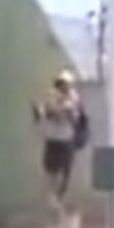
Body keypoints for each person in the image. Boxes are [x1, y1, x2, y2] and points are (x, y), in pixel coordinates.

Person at [33, 70, 83, 199]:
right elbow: (44, 112)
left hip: (65, 139)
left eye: (66, 84)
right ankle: (52, 196)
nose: (63, 87)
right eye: (61, 84)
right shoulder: (52, 95)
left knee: (64, 170)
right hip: (53, 139)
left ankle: (60, 193)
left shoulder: (73, 97)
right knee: (51, 170)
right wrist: (44, 111)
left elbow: (73, 116)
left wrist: (62, 111)